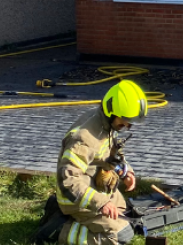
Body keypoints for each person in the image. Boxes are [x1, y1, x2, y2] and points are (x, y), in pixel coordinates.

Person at [33, 80, 148, 245]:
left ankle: (59, 214)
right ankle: (58, 230)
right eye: (125, 120)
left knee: (129, 216)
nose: (127, 126)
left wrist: (125, 171)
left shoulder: (105, 124)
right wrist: (100, 204)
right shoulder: (84, 138)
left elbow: (109, 154)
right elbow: (68, 180)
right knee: (121, 235)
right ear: (111, 111)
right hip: (77, 198)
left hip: (96, 189)